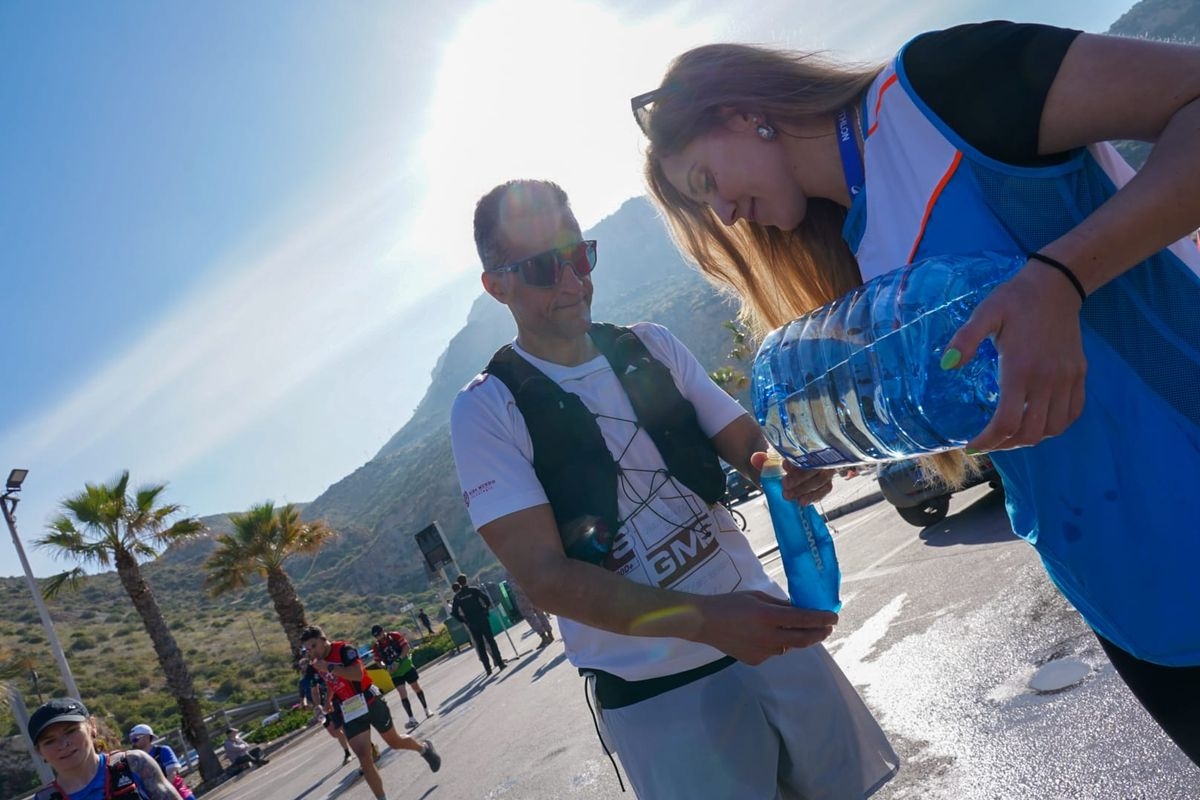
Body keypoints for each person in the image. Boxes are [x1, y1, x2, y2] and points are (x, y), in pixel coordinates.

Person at [634, 22, 1200, 764]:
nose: (726, 217)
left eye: (705, 184)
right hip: (1127, 597)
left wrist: (1061, 278)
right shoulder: (863, 252)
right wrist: (852, 442)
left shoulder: (937, 88)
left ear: (741, 111)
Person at [449, 179, 897, 798]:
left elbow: (750, 449)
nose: (573, 282)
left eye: (579, 256)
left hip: (771, 635)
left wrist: (790, 469)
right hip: (662, 696)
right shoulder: (486, 410)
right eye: (542, 268)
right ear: (495, 285)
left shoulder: (649, 345)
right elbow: (545, 578)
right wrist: (707, 620)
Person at [299, 626, 440, 800]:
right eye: (308, 649)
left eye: (313, 646)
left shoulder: (344, 650)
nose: (312, 651)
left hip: (370, 701)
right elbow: (331, 680)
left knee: (394, 742)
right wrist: (328, 699)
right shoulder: (318, 662)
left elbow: (357, 674)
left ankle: (424, 749)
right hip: (350, 710)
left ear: (323, 639)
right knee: (365, 759)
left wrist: (329, 667)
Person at [29, 697, 182, 800]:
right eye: (49, 741)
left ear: (92, 726)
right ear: (38, 751)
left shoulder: (134, 765)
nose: (63, 745)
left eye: (71, 731)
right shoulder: (45, 798)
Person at [369, 623, 433, 729]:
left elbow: (406, 647)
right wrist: (386, 667)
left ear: (383, 631)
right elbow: (378, 662)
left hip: (406, 667)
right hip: (395, 673)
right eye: (376, 636)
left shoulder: (394, 636)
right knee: (402, 693)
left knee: (416, 687)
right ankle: (412, 719)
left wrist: (398, 660)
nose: (379, 637)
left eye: (379, 634)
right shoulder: (376, 647)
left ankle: (427, 710)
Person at [450, 577, 506, 676]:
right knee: (491, 641)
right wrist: (486, 609)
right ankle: (500, 663)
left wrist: (464, 620)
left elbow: (454, 612)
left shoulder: (457, 597)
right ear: (466, 581)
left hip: (471, 622)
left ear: (458, 583)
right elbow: (486, 599)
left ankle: (488, 669)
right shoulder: (473, 590)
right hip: (482, 618)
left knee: (480, 645)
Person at [128, 725, 194, 800]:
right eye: (131, 740)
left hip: (177, 792)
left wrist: (162, 794)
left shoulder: (162, 750)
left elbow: (172, 773)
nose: (133, 743)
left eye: (135, 739)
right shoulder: (135, 762)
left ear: (147, 737)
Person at [507, 574, 555, 647]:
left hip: (522, 597)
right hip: (533, 593)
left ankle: (544, 636)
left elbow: (514, 586)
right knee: (540, 613)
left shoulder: (510, 569)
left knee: (530, 617)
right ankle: (549, 633)